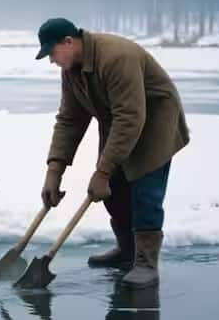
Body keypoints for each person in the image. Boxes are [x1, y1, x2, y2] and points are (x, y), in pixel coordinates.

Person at [36, 18, 189, 288]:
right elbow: (70, 119)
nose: (51, 61)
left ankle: (145, 263)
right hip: (119, 122)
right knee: (113, 191)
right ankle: (127, 251)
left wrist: (103, 171)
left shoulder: (117, 57)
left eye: (52, 53)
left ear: (69, 42)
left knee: (145, 191)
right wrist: (54, 170)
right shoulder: (71, 69)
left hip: (154, 122)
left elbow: (131, 116)